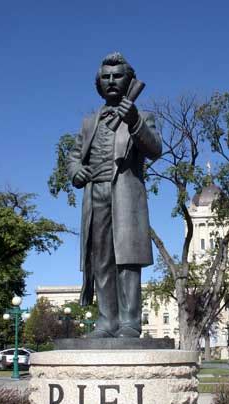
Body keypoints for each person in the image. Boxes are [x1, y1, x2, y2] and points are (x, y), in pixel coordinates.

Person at [66, 53, 162, 338]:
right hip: (95, 195)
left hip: (125, 195)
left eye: (117, 76)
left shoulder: (142, 116)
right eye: (105, 77)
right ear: (98, 83)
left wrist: (134, 121)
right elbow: (73, 157)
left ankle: (130, 322)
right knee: (101, 260)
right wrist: (76, 171)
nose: (110, 81)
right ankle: (106, 322)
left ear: (128, 80)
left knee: (127, 260)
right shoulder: (88, 122)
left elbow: (155, 149)